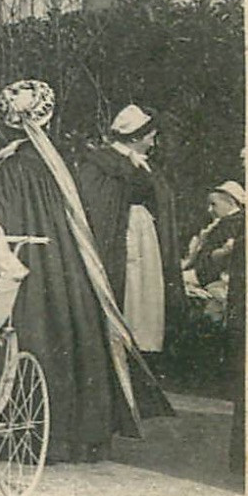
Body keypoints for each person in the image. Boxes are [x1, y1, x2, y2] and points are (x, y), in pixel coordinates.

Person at [0, 79, 172, 463]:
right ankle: (78, 436)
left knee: (29, 333)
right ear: (47, 120)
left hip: (27, 262)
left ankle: (35, 432)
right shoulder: (58, 166)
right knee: (71, 335)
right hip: (66, 265)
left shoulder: (12, 169)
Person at [76, 105, 182, 355]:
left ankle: (141, 345)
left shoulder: (140, 163)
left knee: (144, 287)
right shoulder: (102, 163)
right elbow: (98, 204)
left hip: (143, 234)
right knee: (129, 285)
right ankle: (121, 343)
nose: (153, 143)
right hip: (125, 236)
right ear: (135, 137)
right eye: (150, 136)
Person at [182, 181, 245, 320]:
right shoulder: (225, 223)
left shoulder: (233, 223)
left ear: (230, 202)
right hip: (204, 273)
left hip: (211, 277)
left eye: (214, 204)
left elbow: (220, 259)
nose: (210, 210)